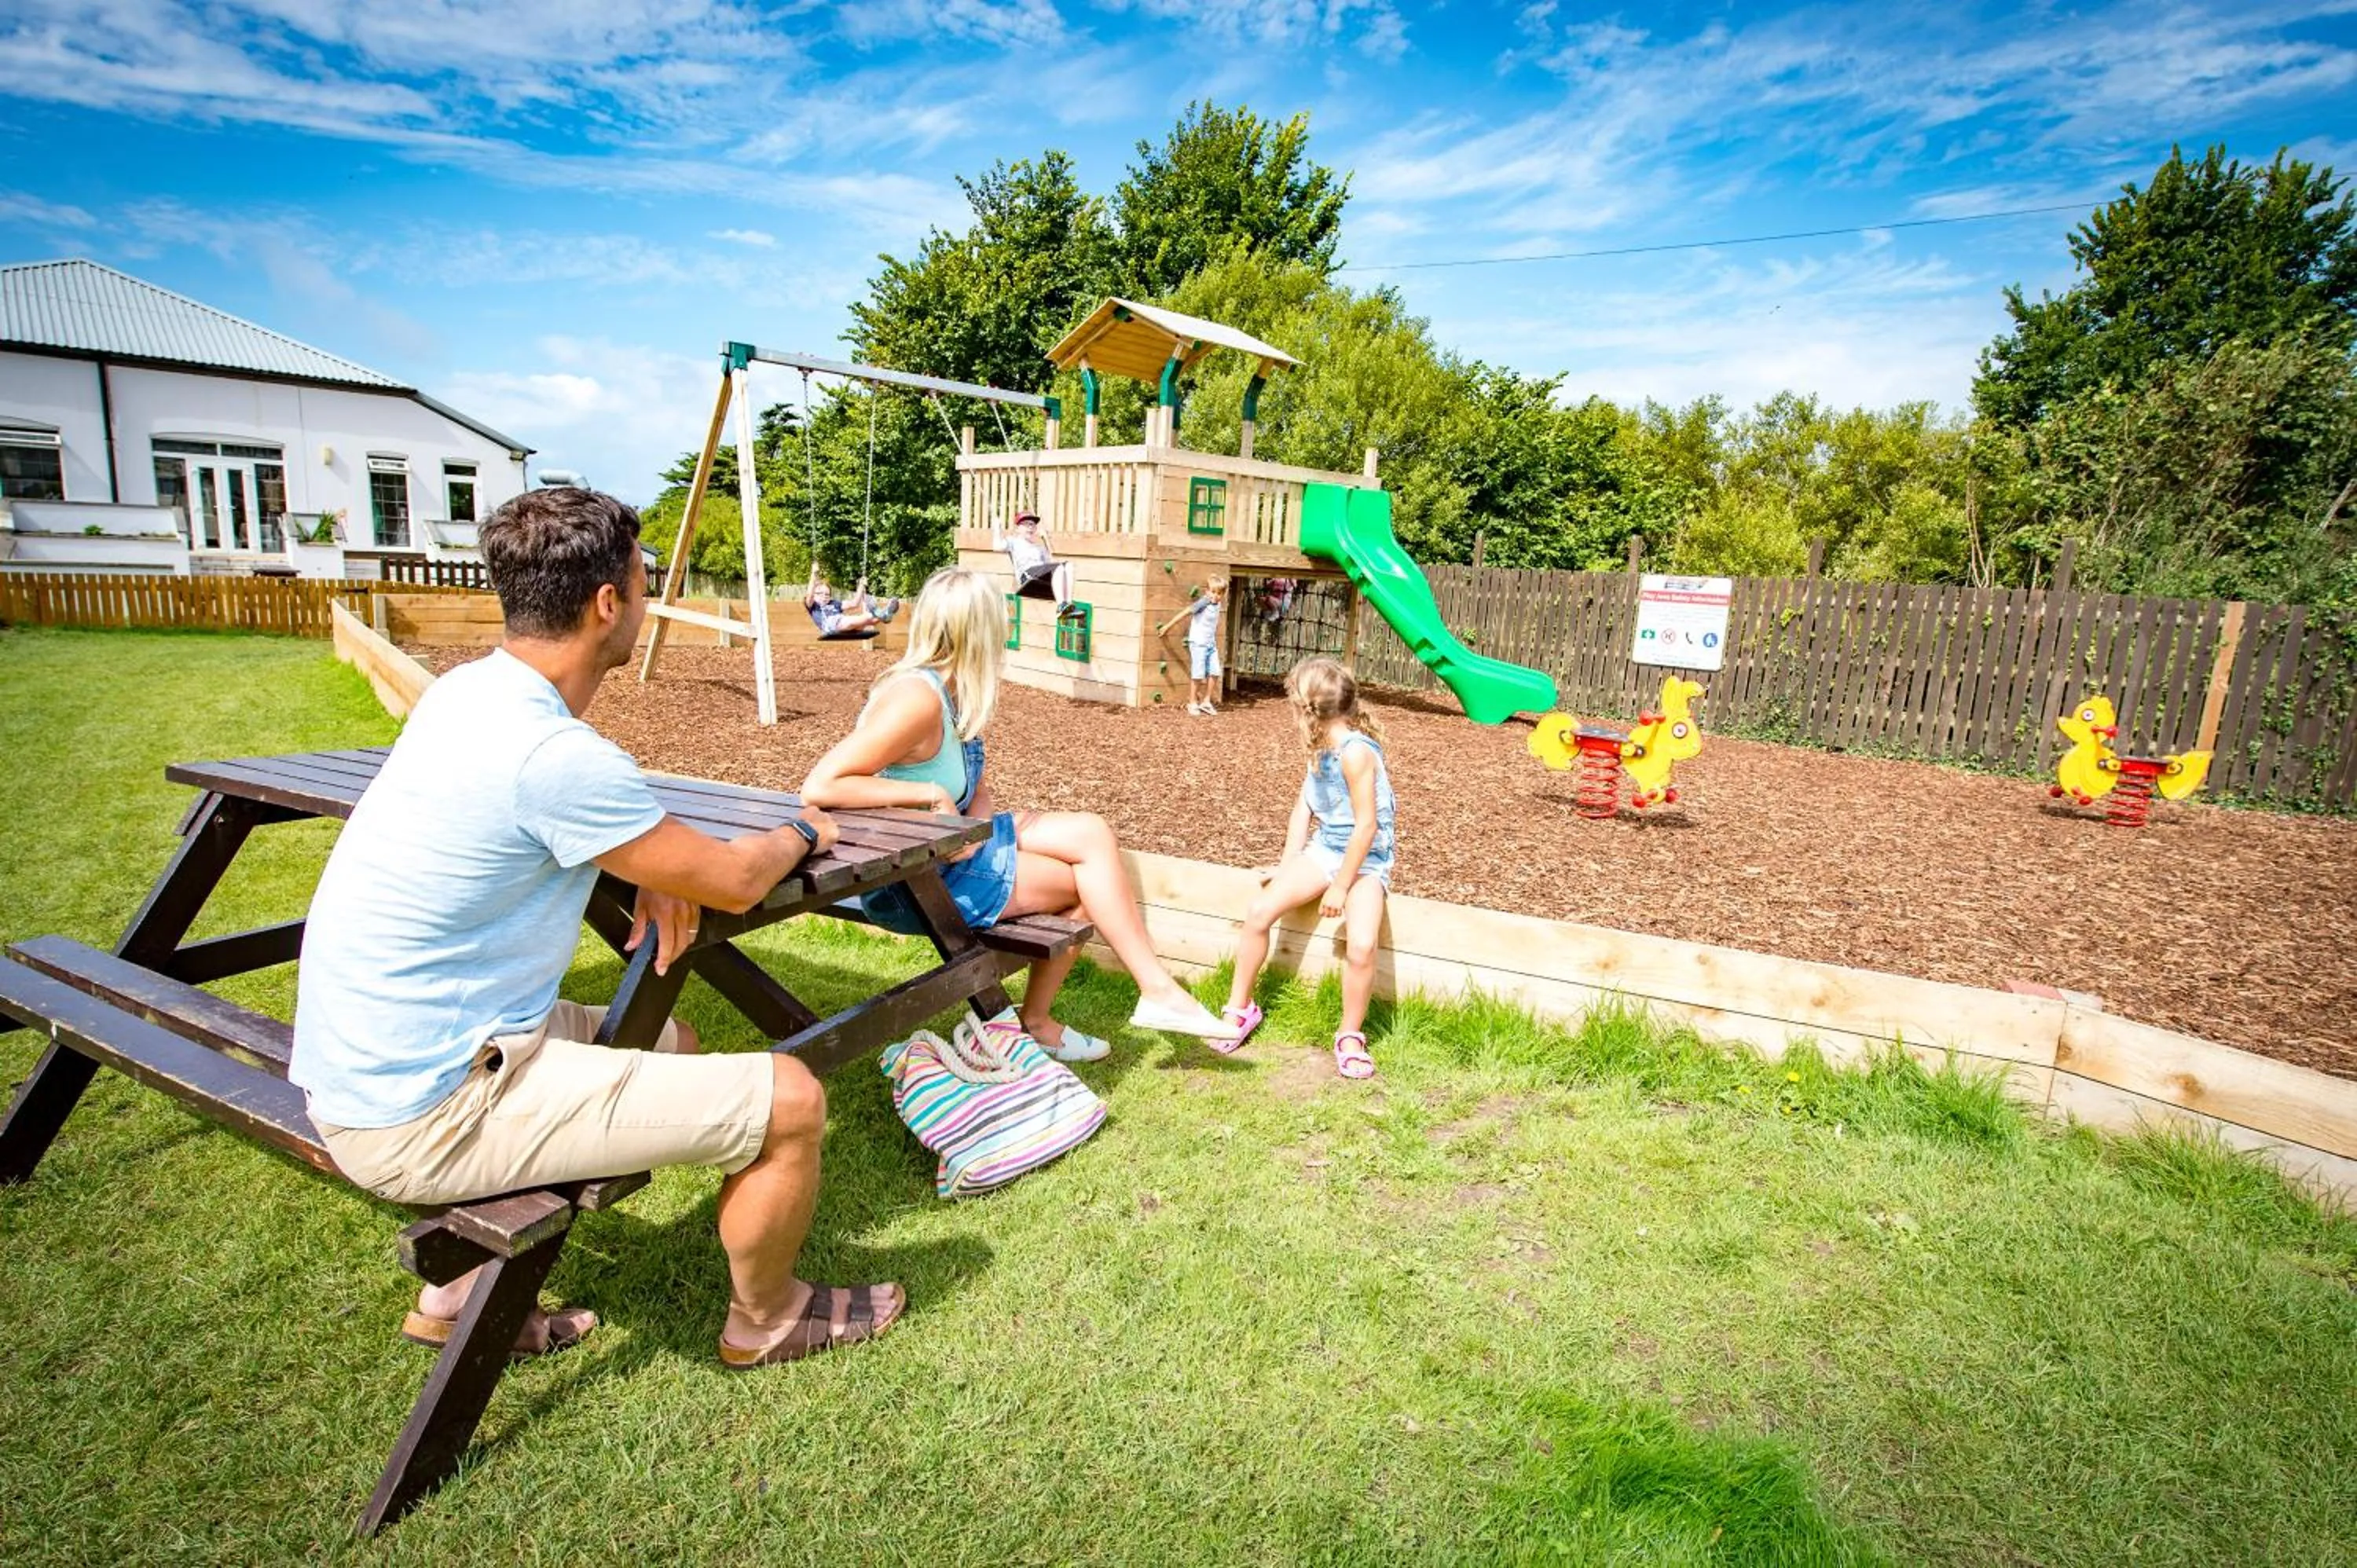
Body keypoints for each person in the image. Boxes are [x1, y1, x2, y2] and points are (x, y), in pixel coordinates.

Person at [291, 486, 904, 1369]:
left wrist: (649, 862)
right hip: (423, 1111)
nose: (649, 601)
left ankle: (458, 1296)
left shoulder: (466, 694)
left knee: (671, 1038)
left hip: (368, 1064)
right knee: (793, 1098)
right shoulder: (554, 756)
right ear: (608, 603)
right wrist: (804, 831)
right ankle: (768, 1318)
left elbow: (550, 810)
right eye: (645, 584)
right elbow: (736, 881)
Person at [801, 566, 1230, 1055]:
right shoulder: (916, 699)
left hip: (947, 851)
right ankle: (1045, 1022)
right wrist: (929, 796)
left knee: (1091, 834)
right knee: (1086, 890)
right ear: (977, 630)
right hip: (906, 879)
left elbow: (974, 785)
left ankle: (1155, 991)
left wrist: (974, 827)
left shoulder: (954, 691)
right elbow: (820, 785)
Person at [1210, 656, 1395, 1079]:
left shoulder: (1356, 753)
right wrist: (1288, 865)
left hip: (1367, 860)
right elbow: (1304, 809)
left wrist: (1340, 887)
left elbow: (1367, 827)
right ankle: (1240, 1009)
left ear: (1305, 708)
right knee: (1259, 912)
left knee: (1361, 945)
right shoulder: (1320, 747)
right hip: (1327, 849)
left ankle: (1350, 1034)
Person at [1156, 578, 1227, 716]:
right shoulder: (1204, 603)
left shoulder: (1218, 604)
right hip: (1198, 643)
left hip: (1210, 644)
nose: (1216, 596)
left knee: (1215, 672)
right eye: (1213, 592)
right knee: (1198, 674)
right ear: (1207, 592)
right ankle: (1192, 702)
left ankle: (1206, 702)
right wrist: (1167, 626)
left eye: (1219, 593)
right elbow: (1186, 612)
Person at [992, 511, 1079, 618]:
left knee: (1069, 566)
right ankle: (1061, 605)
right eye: (1026, 524)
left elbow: (1052, 565)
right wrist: (997, 528)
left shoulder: (1039, 548)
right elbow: (997, 547)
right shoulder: (1014, 542)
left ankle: (1067, 605)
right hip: (1028, 575)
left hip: (1041, 576)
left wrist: (1046, 541)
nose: (1030, 527)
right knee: (1060, 567)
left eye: (1033, 525)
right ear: (1018, 528)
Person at [805, 566, 900, 637]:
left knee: (871, 621)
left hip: (845, 626)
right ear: (814, 595)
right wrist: (814, 575)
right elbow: (810, 595)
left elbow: (854, 603)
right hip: (832, 625)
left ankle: (886, 614)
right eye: (820, 594)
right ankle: (880, 613)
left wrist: (861, 586)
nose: (824, 597)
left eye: (827, 594)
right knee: (866, 617)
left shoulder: (834, 603)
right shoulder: (813, 605)